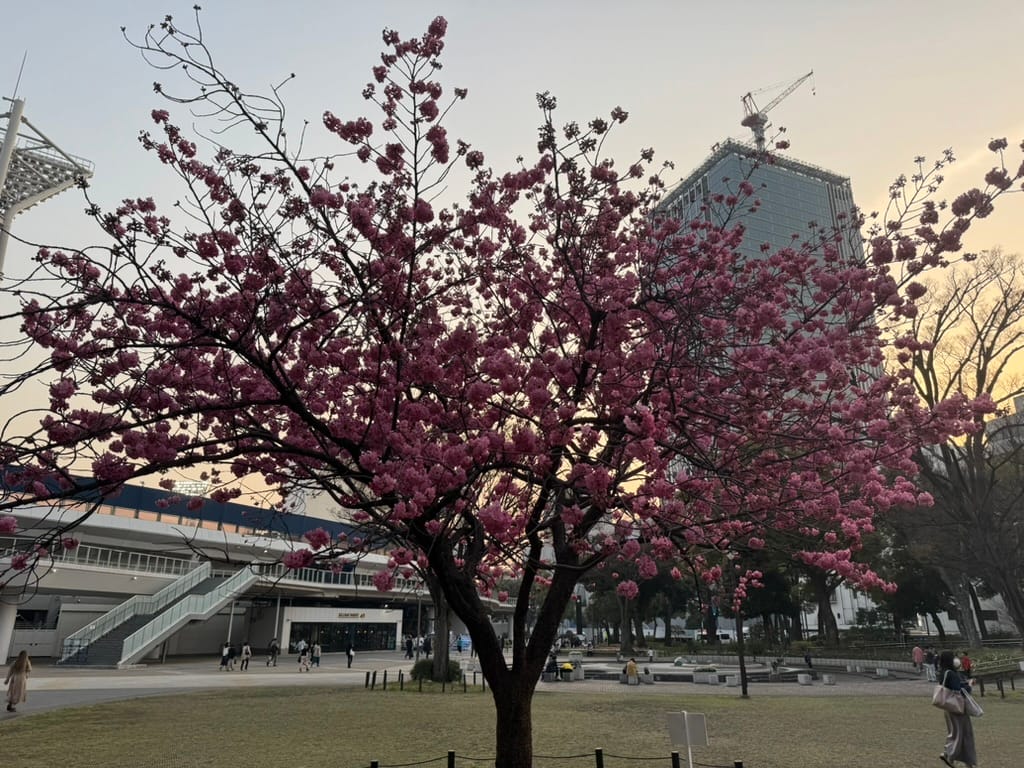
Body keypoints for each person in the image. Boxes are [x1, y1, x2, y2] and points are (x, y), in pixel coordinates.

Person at [937, 649, 978, 768]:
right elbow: (959, 691)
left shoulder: (943, 672)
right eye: (954, 656)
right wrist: (969, 686)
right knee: (962, 734)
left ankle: (967, 763)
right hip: (958, 708)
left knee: (957, 733)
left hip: (949, 708)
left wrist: (964, 683)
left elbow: (955, 686)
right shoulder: (951, 673)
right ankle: (948, 754)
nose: (957, 659)